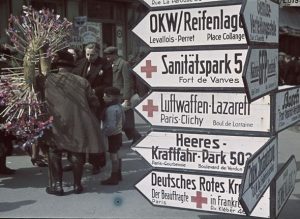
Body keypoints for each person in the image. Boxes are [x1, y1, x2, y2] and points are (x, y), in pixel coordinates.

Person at [44, 50, 104, 195]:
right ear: (72, 67)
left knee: (54, 151)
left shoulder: (48, 79)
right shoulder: (83, 81)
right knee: (77, 151)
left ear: (58, 66)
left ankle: (57, 186)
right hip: (78, 121)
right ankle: (77, 185)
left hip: (56, 122)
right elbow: (94, 102)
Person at [72, 43, 112, 174]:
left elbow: (107, 84)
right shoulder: (80, 62)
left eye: (92, 54)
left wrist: (92, 91)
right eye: (87, 54)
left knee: (94, 133)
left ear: (98, 52)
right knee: (80, 132)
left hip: (95, 102)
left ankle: (97, 163)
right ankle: (79, 161)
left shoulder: (105, 64)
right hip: (80, 103)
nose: (89, 57)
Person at [103, 46, 141, 145]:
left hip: (122, 96)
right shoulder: (110, 64)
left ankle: (136, 136)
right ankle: (131, 137)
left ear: (114, 55)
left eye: (109, 56)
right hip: (113, 96)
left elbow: (128, 82)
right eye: (106, 56)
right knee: (117, 120)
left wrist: (127, 98)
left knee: (126, 121)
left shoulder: (123, 64)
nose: (107, 58)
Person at [101, 87, 125, 185]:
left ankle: (114, 177)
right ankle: (118, 174)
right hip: (118, 133)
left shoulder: (110, 109)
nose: (103, 97)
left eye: (105, 95)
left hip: (112, 135)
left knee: (113, 156)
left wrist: (104, 133)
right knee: (118, 154)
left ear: (110, 97)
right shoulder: (119, 106)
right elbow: (124, 120)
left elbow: (111, 126)